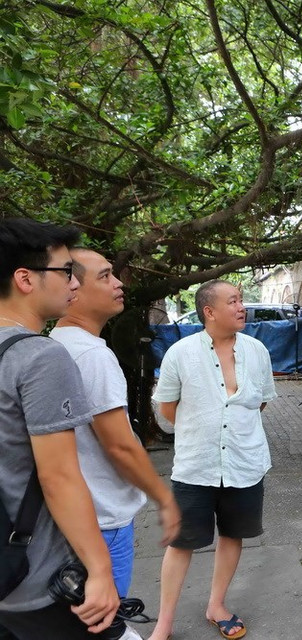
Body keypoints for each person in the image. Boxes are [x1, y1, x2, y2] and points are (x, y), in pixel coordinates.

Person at [0, 219, 119, 638]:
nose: (74, 282)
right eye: (66, 271)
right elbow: (59, 477)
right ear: (25, 278)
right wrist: (101, 571)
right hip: (38, 579)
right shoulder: (40, 357)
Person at [50, 248, 181, 600]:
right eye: (105, 276)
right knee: (105, 613)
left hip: (73, 518)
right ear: (73, 287)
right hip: (103, 519)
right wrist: (163, 499)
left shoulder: (55, 344)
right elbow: (119, 445)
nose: (119, 283)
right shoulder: (93, 355)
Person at [148, 280, 276, 640]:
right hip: (196, 464)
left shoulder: (257, 351)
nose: (241, 307)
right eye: (233, 301)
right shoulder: (180, 353)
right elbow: (168, 410)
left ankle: (216, 605)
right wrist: (202, 429)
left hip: (245, 462)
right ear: (209, 311)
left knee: (233, 534)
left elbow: (261, 401)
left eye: (241, 300)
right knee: (182, 541)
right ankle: (164, 623)